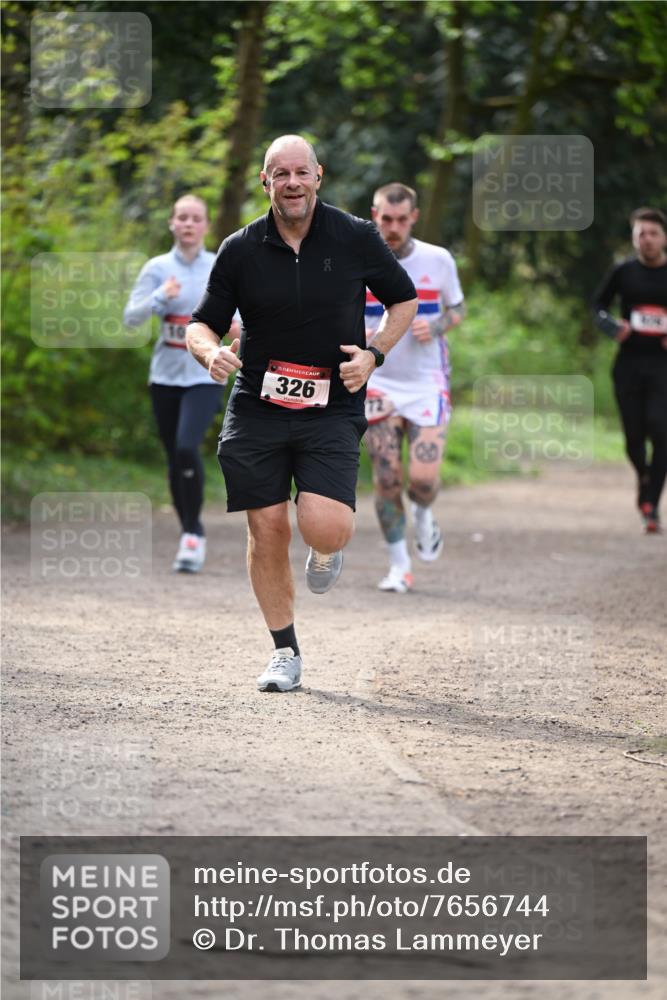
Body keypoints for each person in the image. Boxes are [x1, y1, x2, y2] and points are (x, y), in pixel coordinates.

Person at [186, 135, 418, 692]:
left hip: (331, 404)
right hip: (257, 406)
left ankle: (324, 549)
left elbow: (402, 300)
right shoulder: (240, 248)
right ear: (265, 182)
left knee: (327, 527)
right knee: (266, 528)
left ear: (319, 176)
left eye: (301, 172)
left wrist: (373, 353)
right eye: (279, 173)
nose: (291, 182)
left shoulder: (356, 237)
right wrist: (209, 351)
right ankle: (284, 651)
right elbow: (201, 323)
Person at [124, 194, 239, 572]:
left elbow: (242, 314)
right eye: (182, 218)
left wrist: (238, 327)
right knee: (175, 456)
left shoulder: (218, 266)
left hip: (205, 372)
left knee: (188, 447)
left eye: (196, 219)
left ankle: (194, 533)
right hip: (165, 375)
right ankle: (188, 531)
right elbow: (130, 319)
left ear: (206, 226)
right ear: (172, 224)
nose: (189, 224)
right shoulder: (157, 268)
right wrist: (161, 297)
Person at [364, 183, 465, 593]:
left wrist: (437, 324)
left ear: (414, 218)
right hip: (378, 380)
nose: (393, 227)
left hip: (426, 383)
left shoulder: (437, 260)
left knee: (422, 480)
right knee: (387, 478)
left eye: (401, 220)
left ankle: (424, 512)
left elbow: (458, 307)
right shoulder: (358, 260)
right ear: (375, 216)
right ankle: (399, 566)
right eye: (386, 219)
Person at [592, 207, 667, 534]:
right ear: (634, 239)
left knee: (661, 430)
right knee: (634, 435)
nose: (647, 240)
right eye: (641, 234)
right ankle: (644, 475)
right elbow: (597, 306)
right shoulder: (623, 272)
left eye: (653, 233)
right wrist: (612, 327)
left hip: (663, 365)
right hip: (629, 364)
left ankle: (651, 503)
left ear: (663, 238)